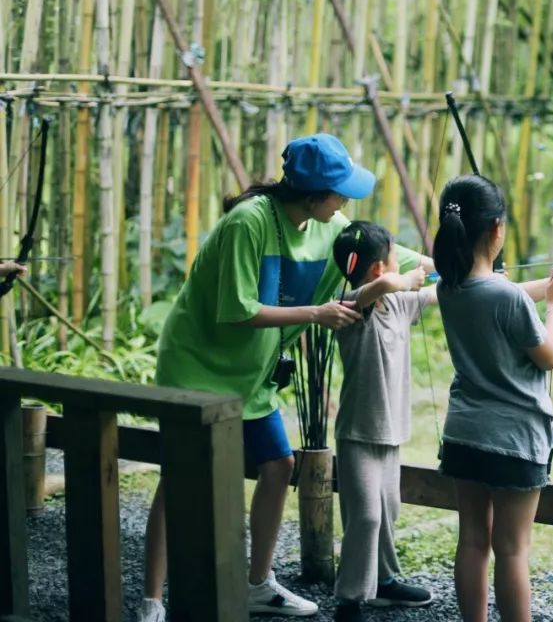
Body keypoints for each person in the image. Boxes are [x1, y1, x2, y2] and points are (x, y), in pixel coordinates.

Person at [138, 134, 421, 621]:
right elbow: (238, 310)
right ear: (313, 196)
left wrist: (469, 275)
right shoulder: (249, 223)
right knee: (180, 479)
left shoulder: (330, 226)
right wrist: (317, 313)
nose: (347, 201)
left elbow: (406, 263)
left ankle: (258, 584)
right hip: (196, 367)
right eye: (340, 193)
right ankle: (151, 599)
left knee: (278, 467)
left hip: (253, 376)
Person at [431, 174, 553, 622]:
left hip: (464, 435)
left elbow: (503, 295)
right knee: (513, 549)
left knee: (472, 541)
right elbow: (549, 357)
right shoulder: (505, 298)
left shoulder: (449, 287)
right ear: (497, 229)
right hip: (514, 440)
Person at [330, 221, 437, 622]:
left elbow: (441, 291)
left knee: (388, 510)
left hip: (391, 431)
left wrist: (474, 275)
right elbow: (372, 291)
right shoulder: (347, 307)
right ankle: (350, 599)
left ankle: (385, 583)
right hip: (358, 432)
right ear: (379, 267)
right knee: (366, 515)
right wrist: (403, 278)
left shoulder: (400, 304)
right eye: (395, 256)